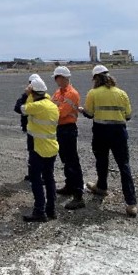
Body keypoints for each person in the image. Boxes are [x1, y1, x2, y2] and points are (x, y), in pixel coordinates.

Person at [79, 65, 138, 217]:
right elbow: (128, 116)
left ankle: (102, 187)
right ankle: (131, 203)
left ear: (96, 78)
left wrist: (82, 111)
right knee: (124, 166)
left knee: (101, 161)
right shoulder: (122, 93)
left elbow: (90, 114)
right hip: (119, 132)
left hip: (101, 131)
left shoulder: (93, 93)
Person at [21, 77, 59, 222]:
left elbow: (21, 108)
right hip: (51, 147)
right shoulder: (52, 105)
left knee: (36, 180)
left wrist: (26, 94)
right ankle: (51, 209)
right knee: (49, 178)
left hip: (38, 148)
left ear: (33, 92)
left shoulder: (36, 106)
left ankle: (39, 211)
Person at [51, 66, 86, 210]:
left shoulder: (71, 94)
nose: (55, 80)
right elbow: (51, 106)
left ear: (63, 77)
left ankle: (78, 195)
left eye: (57, 77)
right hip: (60, 129)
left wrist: (49, 113)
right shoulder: (58, 93)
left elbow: (59, 112)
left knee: (72, 161)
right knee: (66, 160)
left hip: (68, 129)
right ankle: (70, 186)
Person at [14, 73, 41, 181]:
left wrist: (25, 95)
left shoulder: (30, 97)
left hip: (34, 129)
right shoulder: (43, 96)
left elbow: (18, 108)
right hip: (37, 129)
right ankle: (33, 174)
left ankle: (35, 175)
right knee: (35, 153)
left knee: (35, 153)